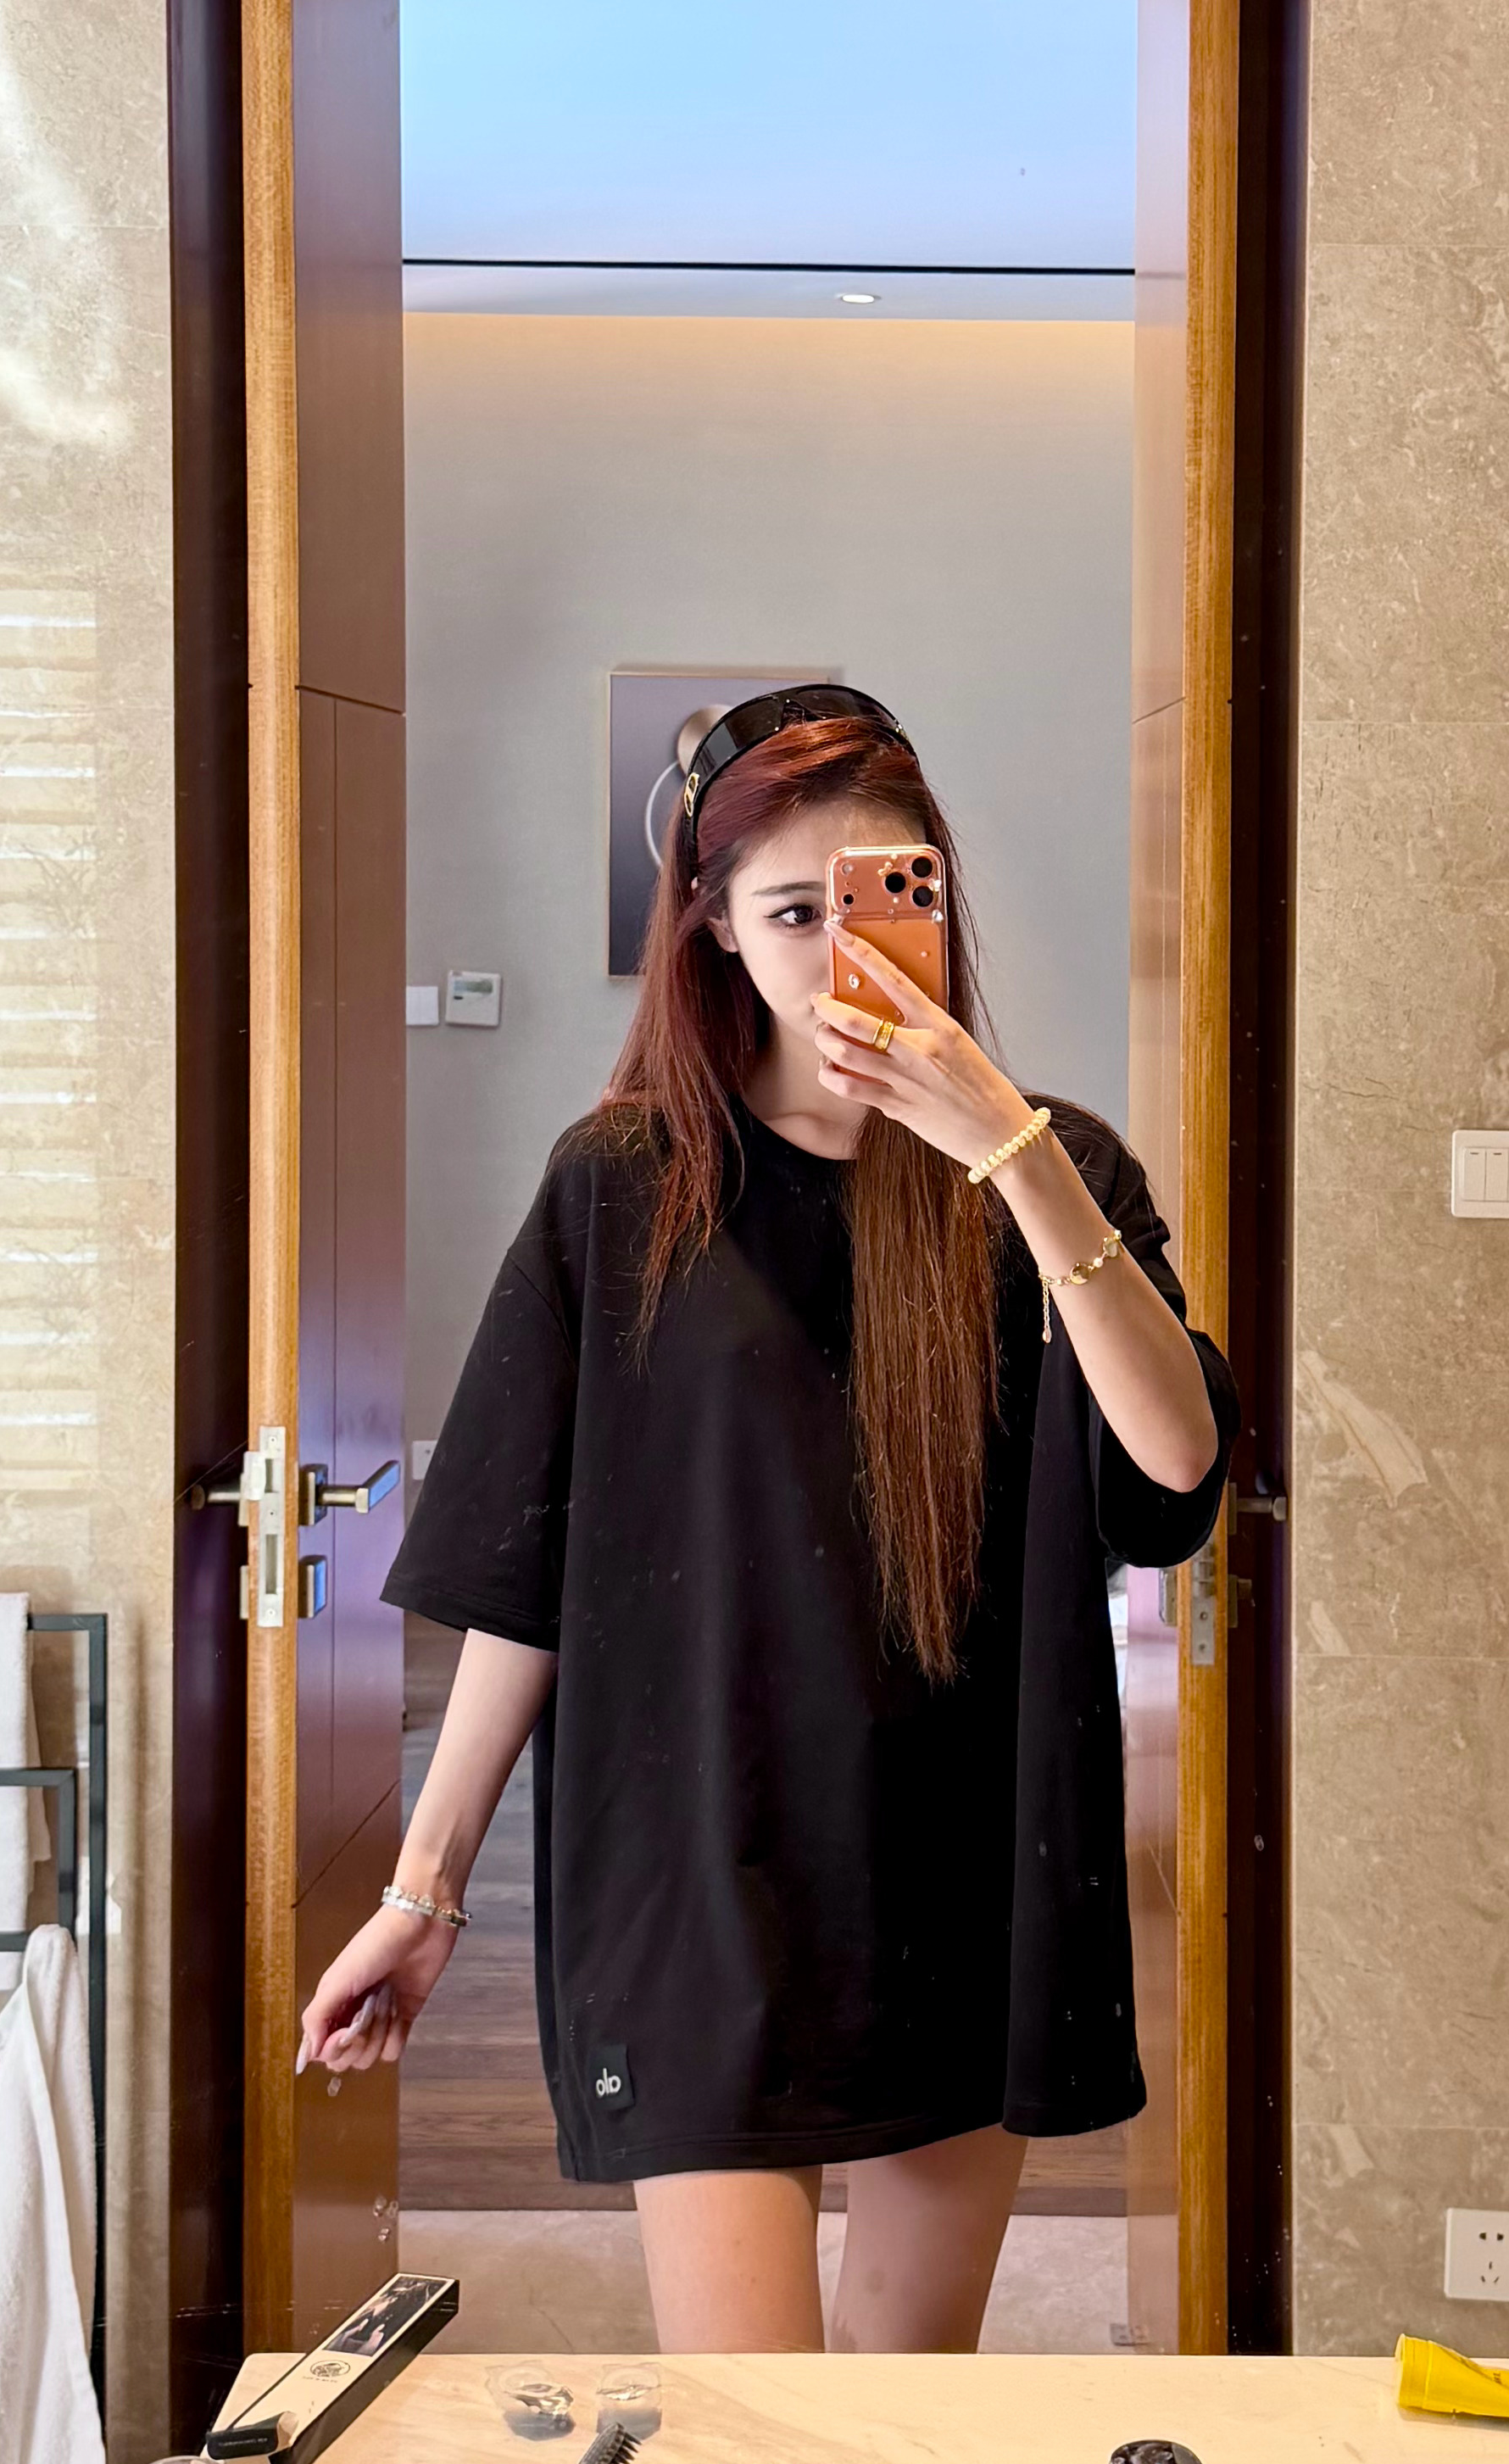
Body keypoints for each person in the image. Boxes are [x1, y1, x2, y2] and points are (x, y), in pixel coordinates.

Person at [298, 684, 1234, 2350]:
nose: (839, 951)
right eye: (793, 911)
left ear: (938, 899)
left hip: (967, 1862)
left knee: (896, 2409)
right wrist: (422, 1891)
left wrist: (1013, 1156)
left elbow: (1175, 1467)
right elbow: (527, 1574)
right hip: (698, 1861)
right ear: (715, 928)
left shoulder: (1055, 1167)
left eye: (885, 898)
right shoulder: (624, 1185)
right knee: (749, 2424)